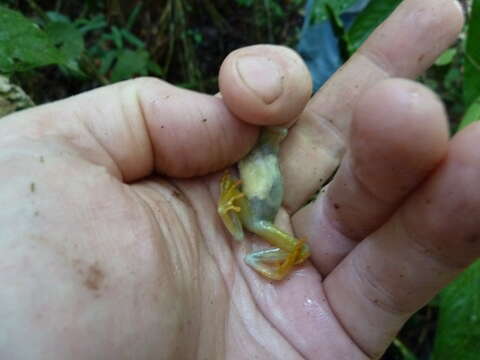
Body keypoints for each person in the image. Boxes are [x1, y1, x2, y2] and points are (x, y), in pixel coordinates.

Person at [0, 0, 474, 359]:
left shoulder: (268, 147)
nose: (280, 129)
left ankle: (278, 256)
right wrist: (229, 194)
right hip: (245, 216)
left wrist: (278, 238)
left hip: (261, 218)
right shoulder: (247, 143)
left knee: (290, 238)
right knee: (251, 186)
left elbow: (266, 158)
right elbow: (240, 168)